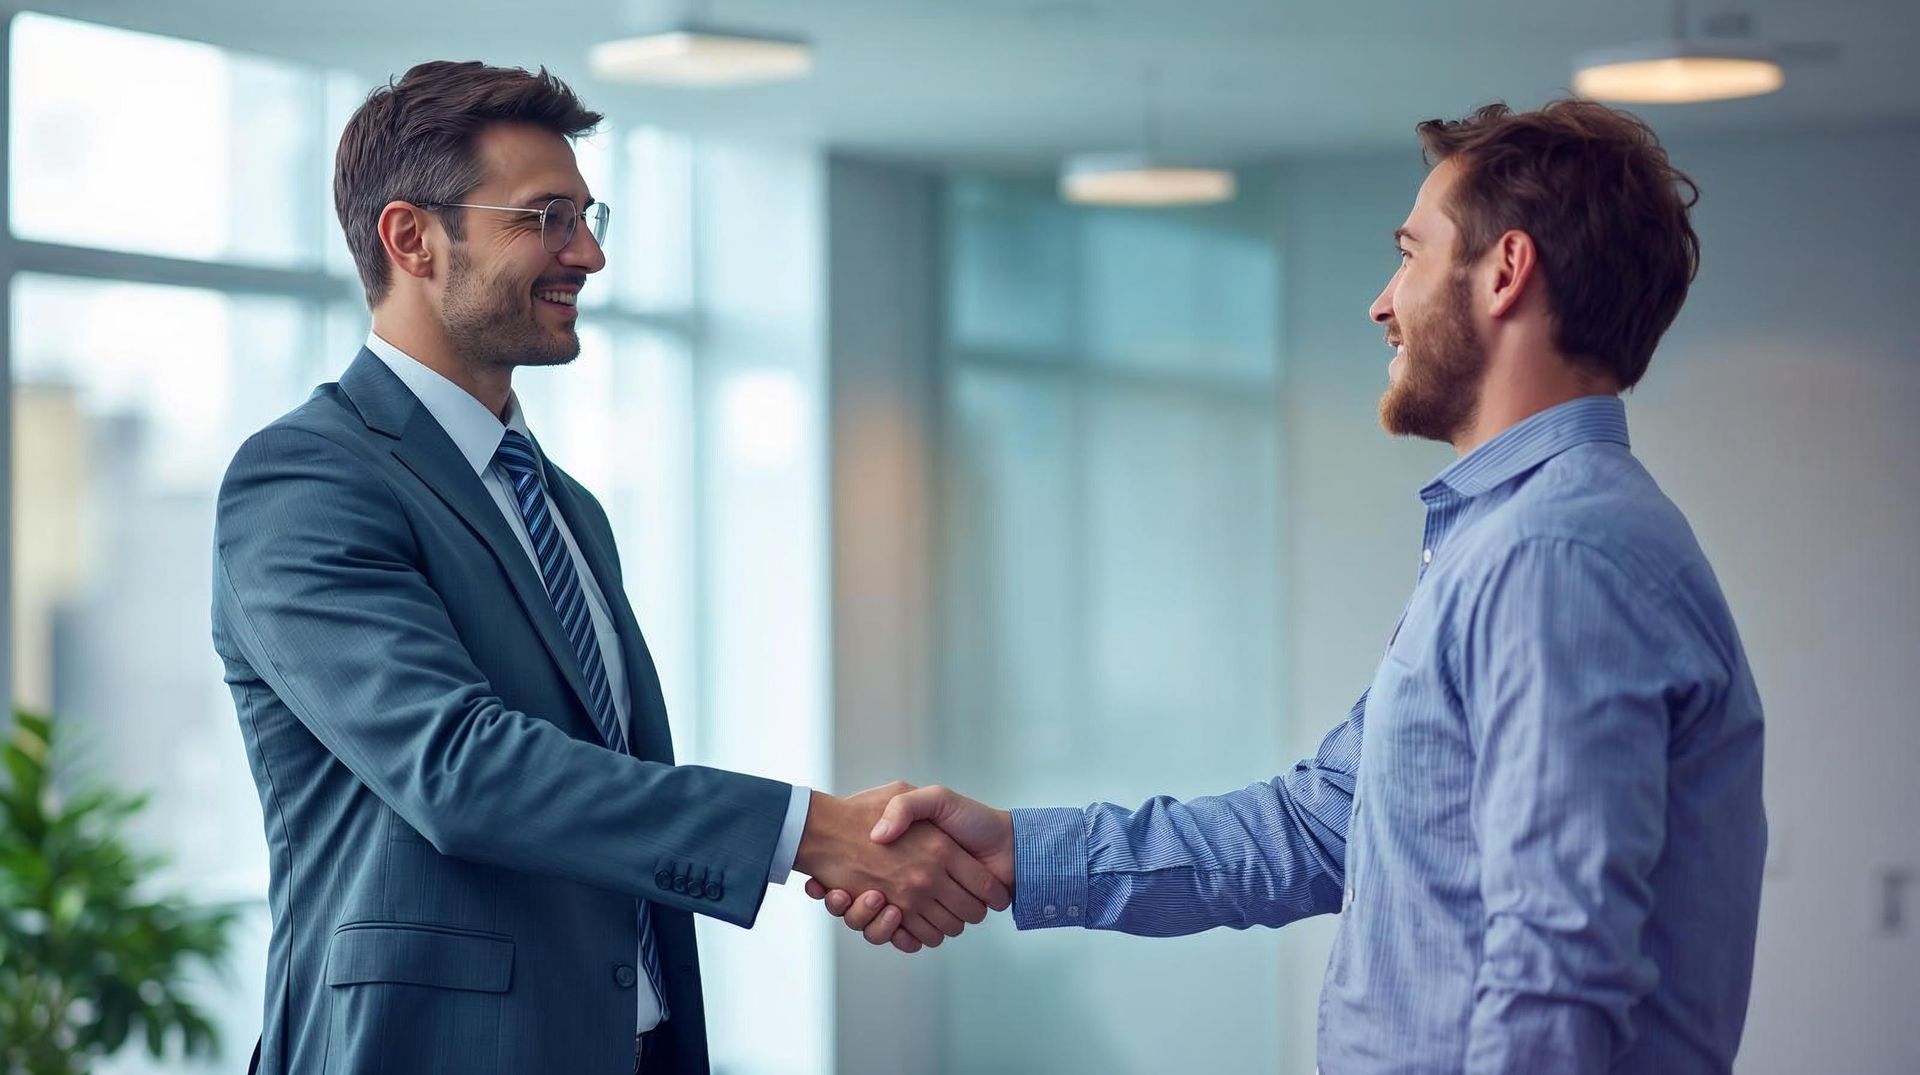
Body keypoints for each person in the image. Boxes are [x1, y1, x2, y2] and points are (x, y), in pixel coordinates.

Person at [811, 99, 1767, 1073]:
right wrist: (1018, 851)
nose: (1382, 301)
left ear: (1506, 273)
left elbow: (1558, 966)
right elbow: (1324, 822)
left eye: (1411, 254)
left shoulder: (1553, 557)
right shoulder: (1512, 542)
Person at [211, 60, 1007, 1075]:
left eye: (589, 217)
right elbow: (460, 767)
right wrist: (809, 833)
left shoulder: (561, 503)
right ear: (412, 238)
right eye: (544, 218)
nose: (585, 253)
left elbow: (606, 786)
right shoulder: (306, 479)